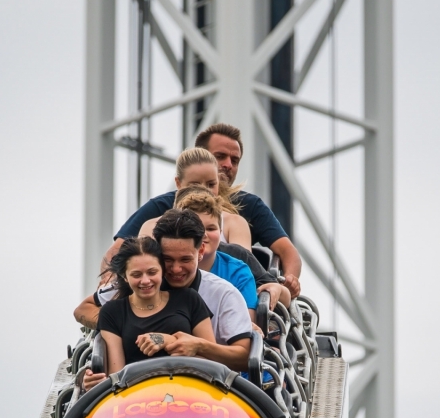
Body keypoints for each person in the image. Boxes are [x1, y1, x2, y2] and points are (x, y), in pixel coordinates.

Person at [103, 123, 303, 297]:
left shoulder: (241, 217)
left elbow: (247, 269)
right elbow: (124, 254)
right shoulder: (157, 212)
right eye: (220, 156)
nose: (227, 164)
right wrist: (109, 287)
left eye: (234, 160)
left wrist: (286, 285)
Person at [75, 209, 253, 389]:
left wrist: (196, 345)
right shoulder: (136, 285)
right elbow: (84, 310)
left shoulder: (218, 294)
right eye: (168, 259)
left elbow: (244, 358)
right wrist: (118, 326)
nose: (176, 269)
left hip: (198, 389)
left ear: (200, 251)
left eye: (185, 259)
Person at [81, 237, 215, 390]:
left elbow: (212, 362)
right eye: (136, 275)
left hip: (192, 392)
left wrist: (169, 341)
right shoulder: (112, 312)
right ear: (125, 276)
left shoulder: (189, 299)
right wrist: (91, 381)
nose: (145, 281)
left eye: (152, 272)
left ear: (162, 271)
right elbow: (117, 377)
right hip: (138, 398)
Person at [157, 186, 291, 312]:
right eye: (197, 228)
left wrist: (277, 289)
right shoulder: (161, 264)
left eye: (211, 228)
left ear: (220, 231)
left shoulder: (237, 262)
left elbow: (278, 299)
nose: (204, 234)